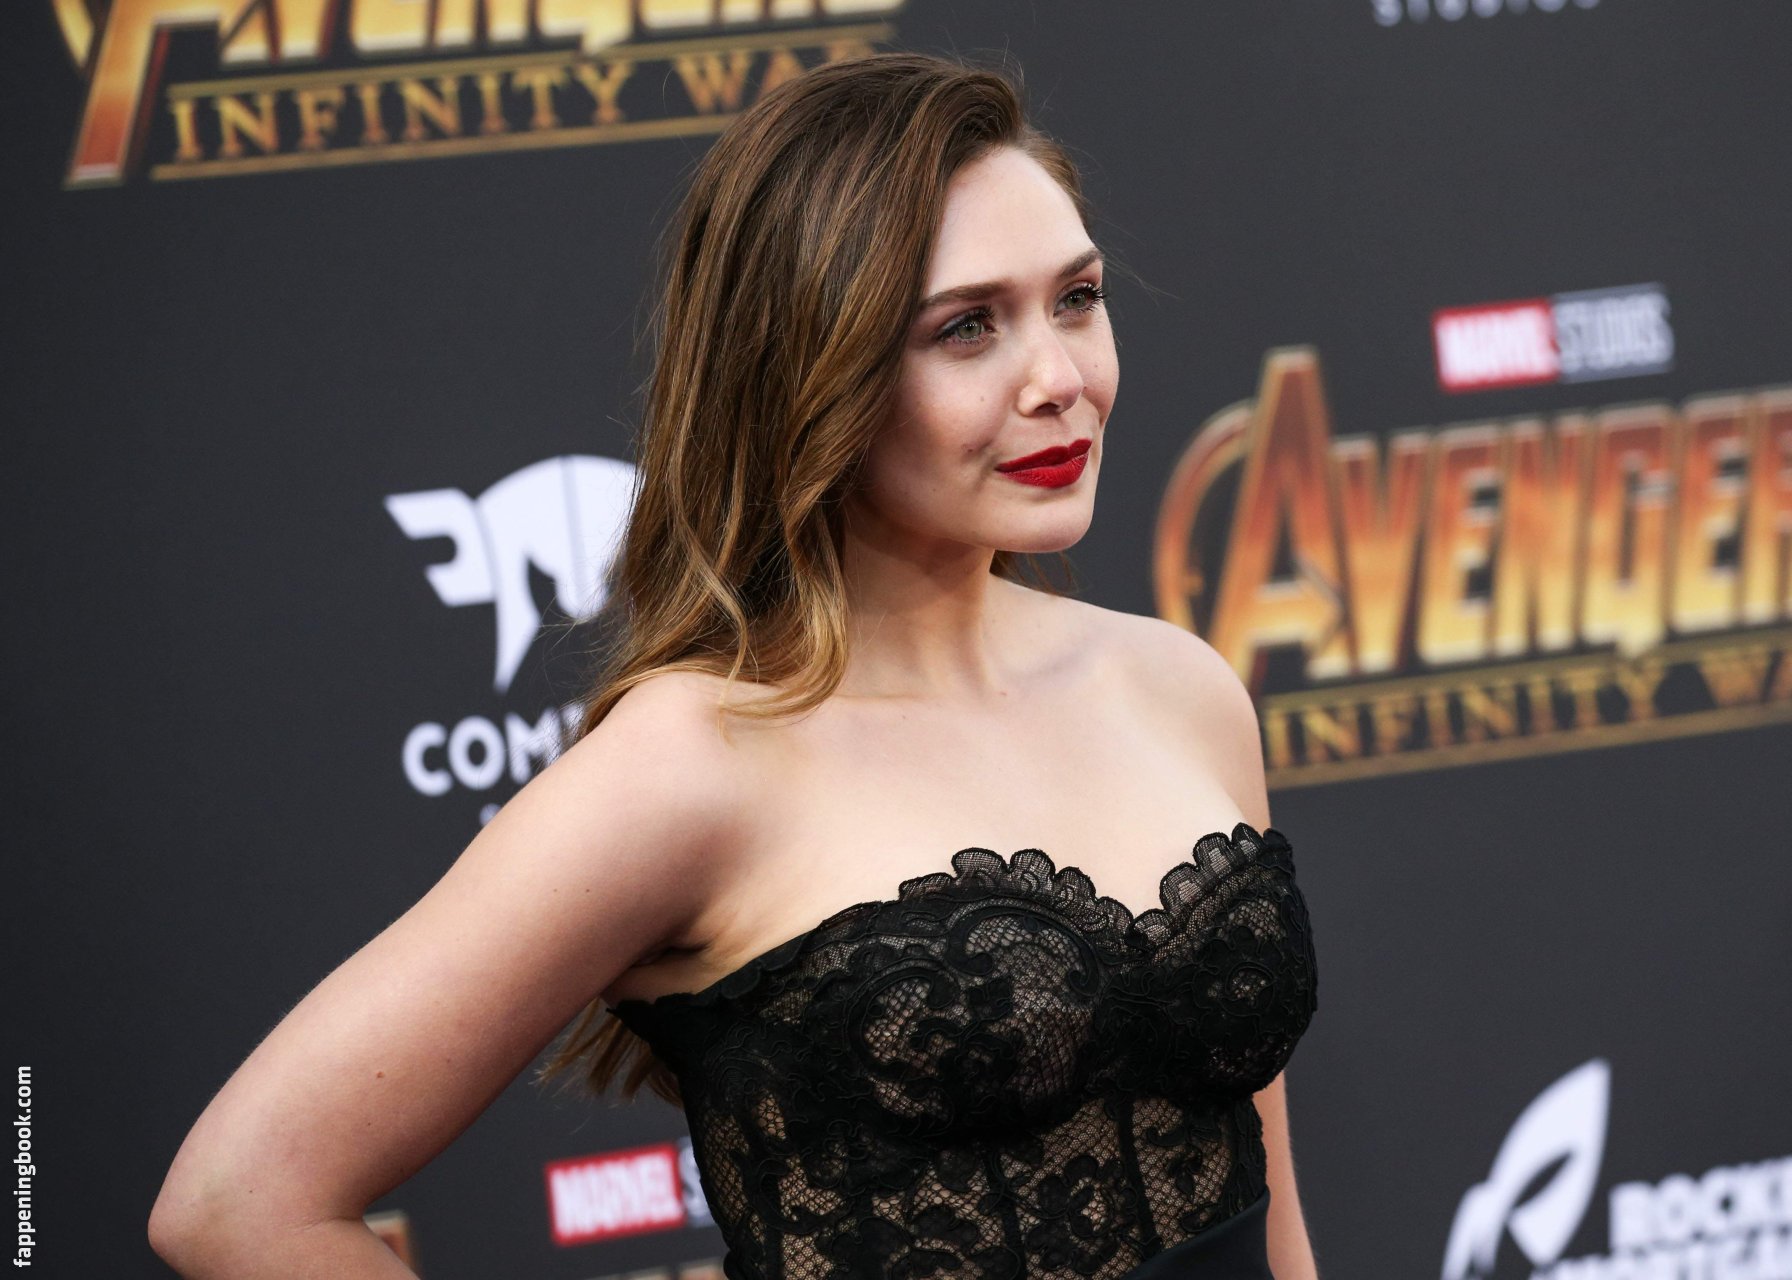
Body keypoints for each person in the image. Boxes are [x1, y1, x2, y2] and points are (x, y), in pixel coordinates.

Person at [148, 51, 1320, 1280]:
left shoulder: (1178, 688)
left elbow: (1274, 1219)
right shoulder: (693, 759)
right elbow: (237, 1200)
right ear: (814, 365)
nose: (1061, 380)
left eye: (1075, 298)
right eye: (966, 327)